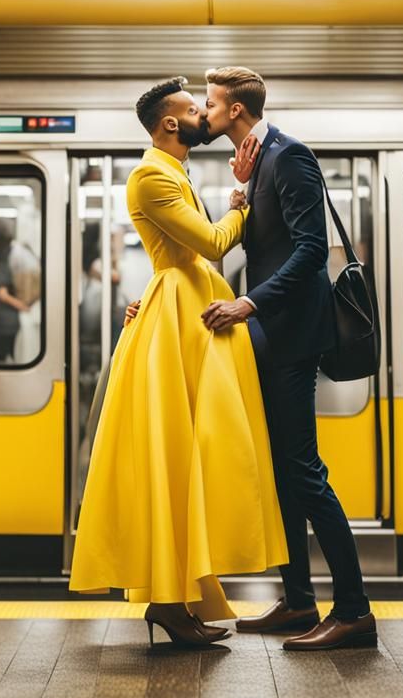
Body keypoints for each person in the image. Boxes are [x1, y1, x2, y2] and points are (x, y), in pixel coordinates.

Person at [68, 76, 287, 648]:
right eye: (195, 110)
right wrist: (240, 203)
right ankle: (168, 603)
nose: (205, 116)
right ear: (171, 123)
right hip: (179, 317)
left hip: (184, 312)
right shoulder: (151, 176)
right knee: (175, 453)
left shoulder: (173, 172)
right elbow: (210, 243)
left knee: (188, 456)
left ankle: (177, 600)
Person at [200, 66, 376, 652]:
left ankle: (353, 611)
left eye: (211, 103)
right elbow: (268, 241)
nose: (205, 113)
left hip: (294, 339)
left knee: (303, 471)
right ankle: (300, 601)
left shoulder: (291, 156)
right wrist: (243, 193)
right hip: (273, 338)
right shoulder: (257, 163)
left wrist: (248, 302)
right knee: (281, 473)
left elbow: (308, 251)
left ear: (237, 111)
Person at [0, 218, 27, 363]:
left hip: (3, 321)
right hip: (14, 320)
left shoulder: (1, 257)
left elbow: (2, 294)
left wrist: (22, 305)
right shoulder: (15, 252)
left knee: (0, 361)